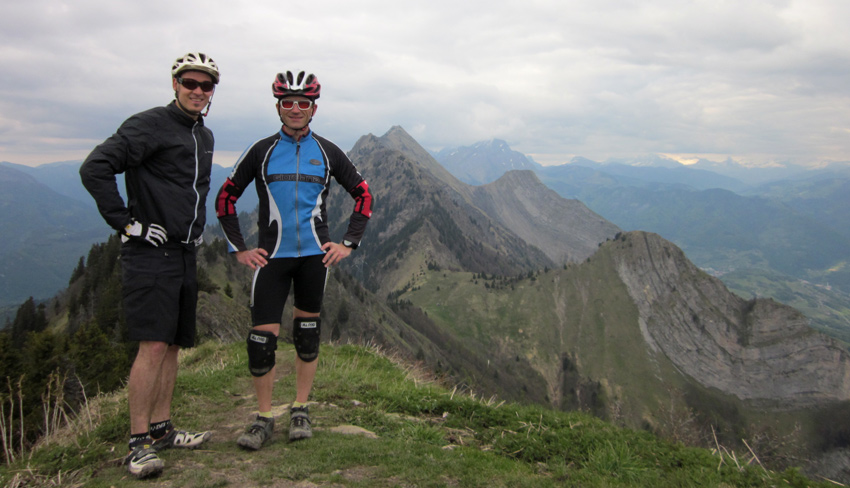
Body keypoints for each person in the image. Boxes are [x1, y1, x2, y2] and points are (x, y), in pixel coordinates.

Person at [215, 70, 373, 450]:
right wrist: (239, 248)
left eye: (304, 103)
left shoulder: (328, 152)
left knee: (306, 336)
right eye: (288, 103)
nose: (296, 109)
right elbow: (225, 199)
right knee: (260, 342)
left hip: (315, 261)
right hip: (271, 259)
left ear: (314, 108)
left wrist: (348, 243)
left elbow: (363, 195)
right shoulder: (262, 151)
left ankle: (301, 408)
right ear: (278, 107)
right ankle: (265, 417)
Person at [79, 52, 219, 479]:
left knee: (173, 344)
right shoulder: (149, 124)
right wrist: (126, 223)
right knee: (153, 346)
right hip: (150, 254)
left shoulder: (204, 135)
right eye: (189, 83)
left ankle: (162, 429)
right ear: (174, 84)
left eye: (205, 85)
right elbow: (95, 167)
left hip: (183, 252)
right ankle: (138, 443)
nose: (197, 91)